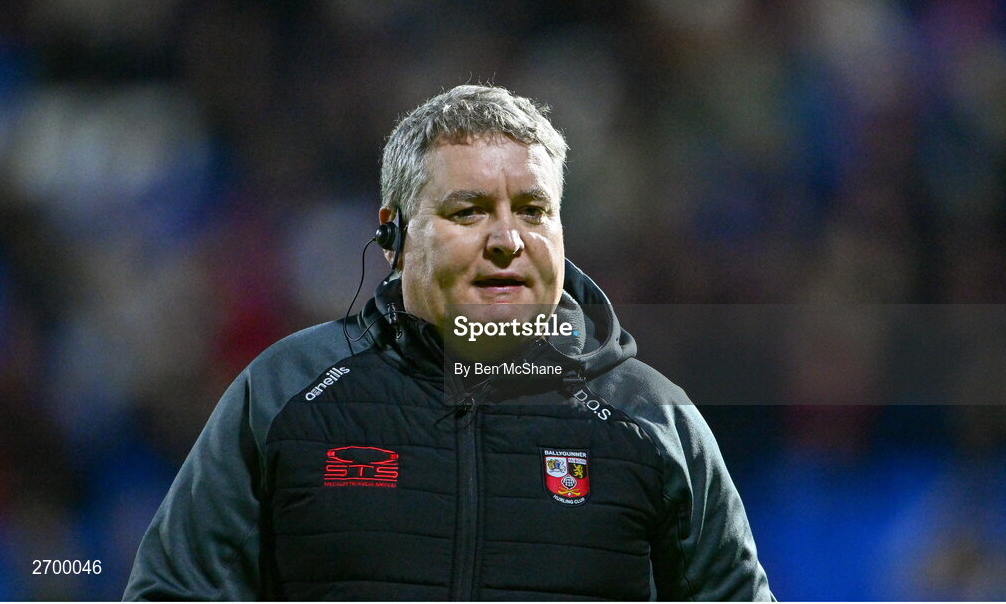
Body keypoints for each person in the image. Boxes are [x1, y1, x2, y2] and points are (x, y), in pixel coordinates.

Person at [124, 85, 773, 601]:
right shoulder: (285, 393)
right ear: (394, 237)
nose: (506, 240)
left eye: (533, 210)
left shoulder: (655, 420)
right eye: (468, 211)